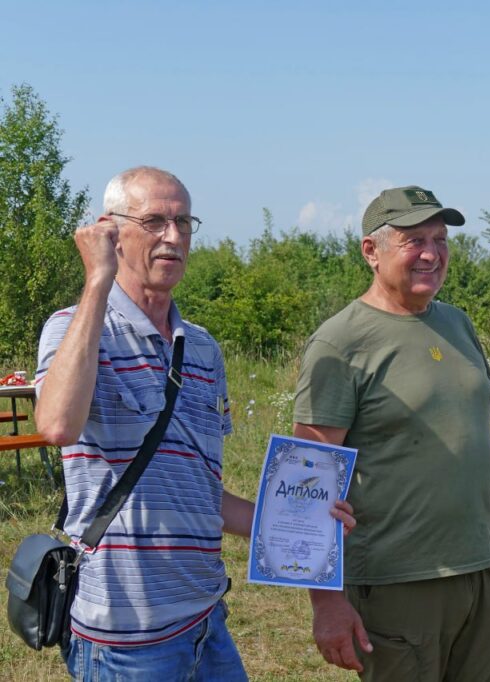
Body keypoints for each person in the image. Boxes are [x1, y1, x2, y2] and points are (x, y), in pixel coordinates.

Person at [34, 166, 353, 680]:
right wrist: (98, 280)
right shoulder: (74, 328)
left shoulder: (201, 347)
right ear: (109, 231)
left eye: (184, 222)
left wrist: (310, 521)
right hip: (126, 639)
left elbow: (203, 494)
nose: (173, 236)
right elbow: (55, 426)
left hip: (207, 620)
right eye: (155, 220)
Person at [293, 185, 490, 680]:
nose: (432, 253)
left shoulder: (457, 324)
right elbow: (307, 481)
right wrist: (325, 603)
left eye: (440, 239)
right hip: (396, 585)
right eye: (414, 241)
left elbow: (481, 443)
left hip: (480, 572)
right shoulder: (341, 342)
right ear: (372, 251)